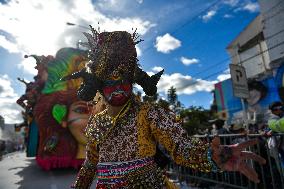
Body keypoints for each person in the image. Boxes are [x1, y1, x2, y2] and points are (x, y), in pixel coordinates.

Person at [71, 27, 266, 189]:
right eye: (110, 82)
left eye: (124, 81)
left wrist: (213, 157)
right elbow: (90, 163)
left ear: (132, 81)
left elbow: (180, 148)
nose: (118, 89)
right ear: (98, 85)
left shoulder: (149, 113)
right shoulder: (96, 121)